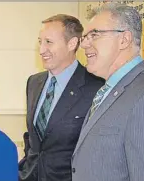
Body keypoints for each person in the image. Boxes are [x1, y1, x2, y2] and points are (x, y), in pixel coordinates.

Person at [18, 14, 104, 181]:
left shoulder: (96, 87)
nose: (42, 50)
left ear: (72, 43)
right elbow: (33, 139)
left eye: (49, 42)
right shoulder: (34, 82)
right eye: (40, 42)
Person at [72, 3, 144, 181]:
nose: (84, 44)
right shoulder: (109, 90)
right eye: (85, 37)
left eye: (95, 35)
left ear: (124, 39)